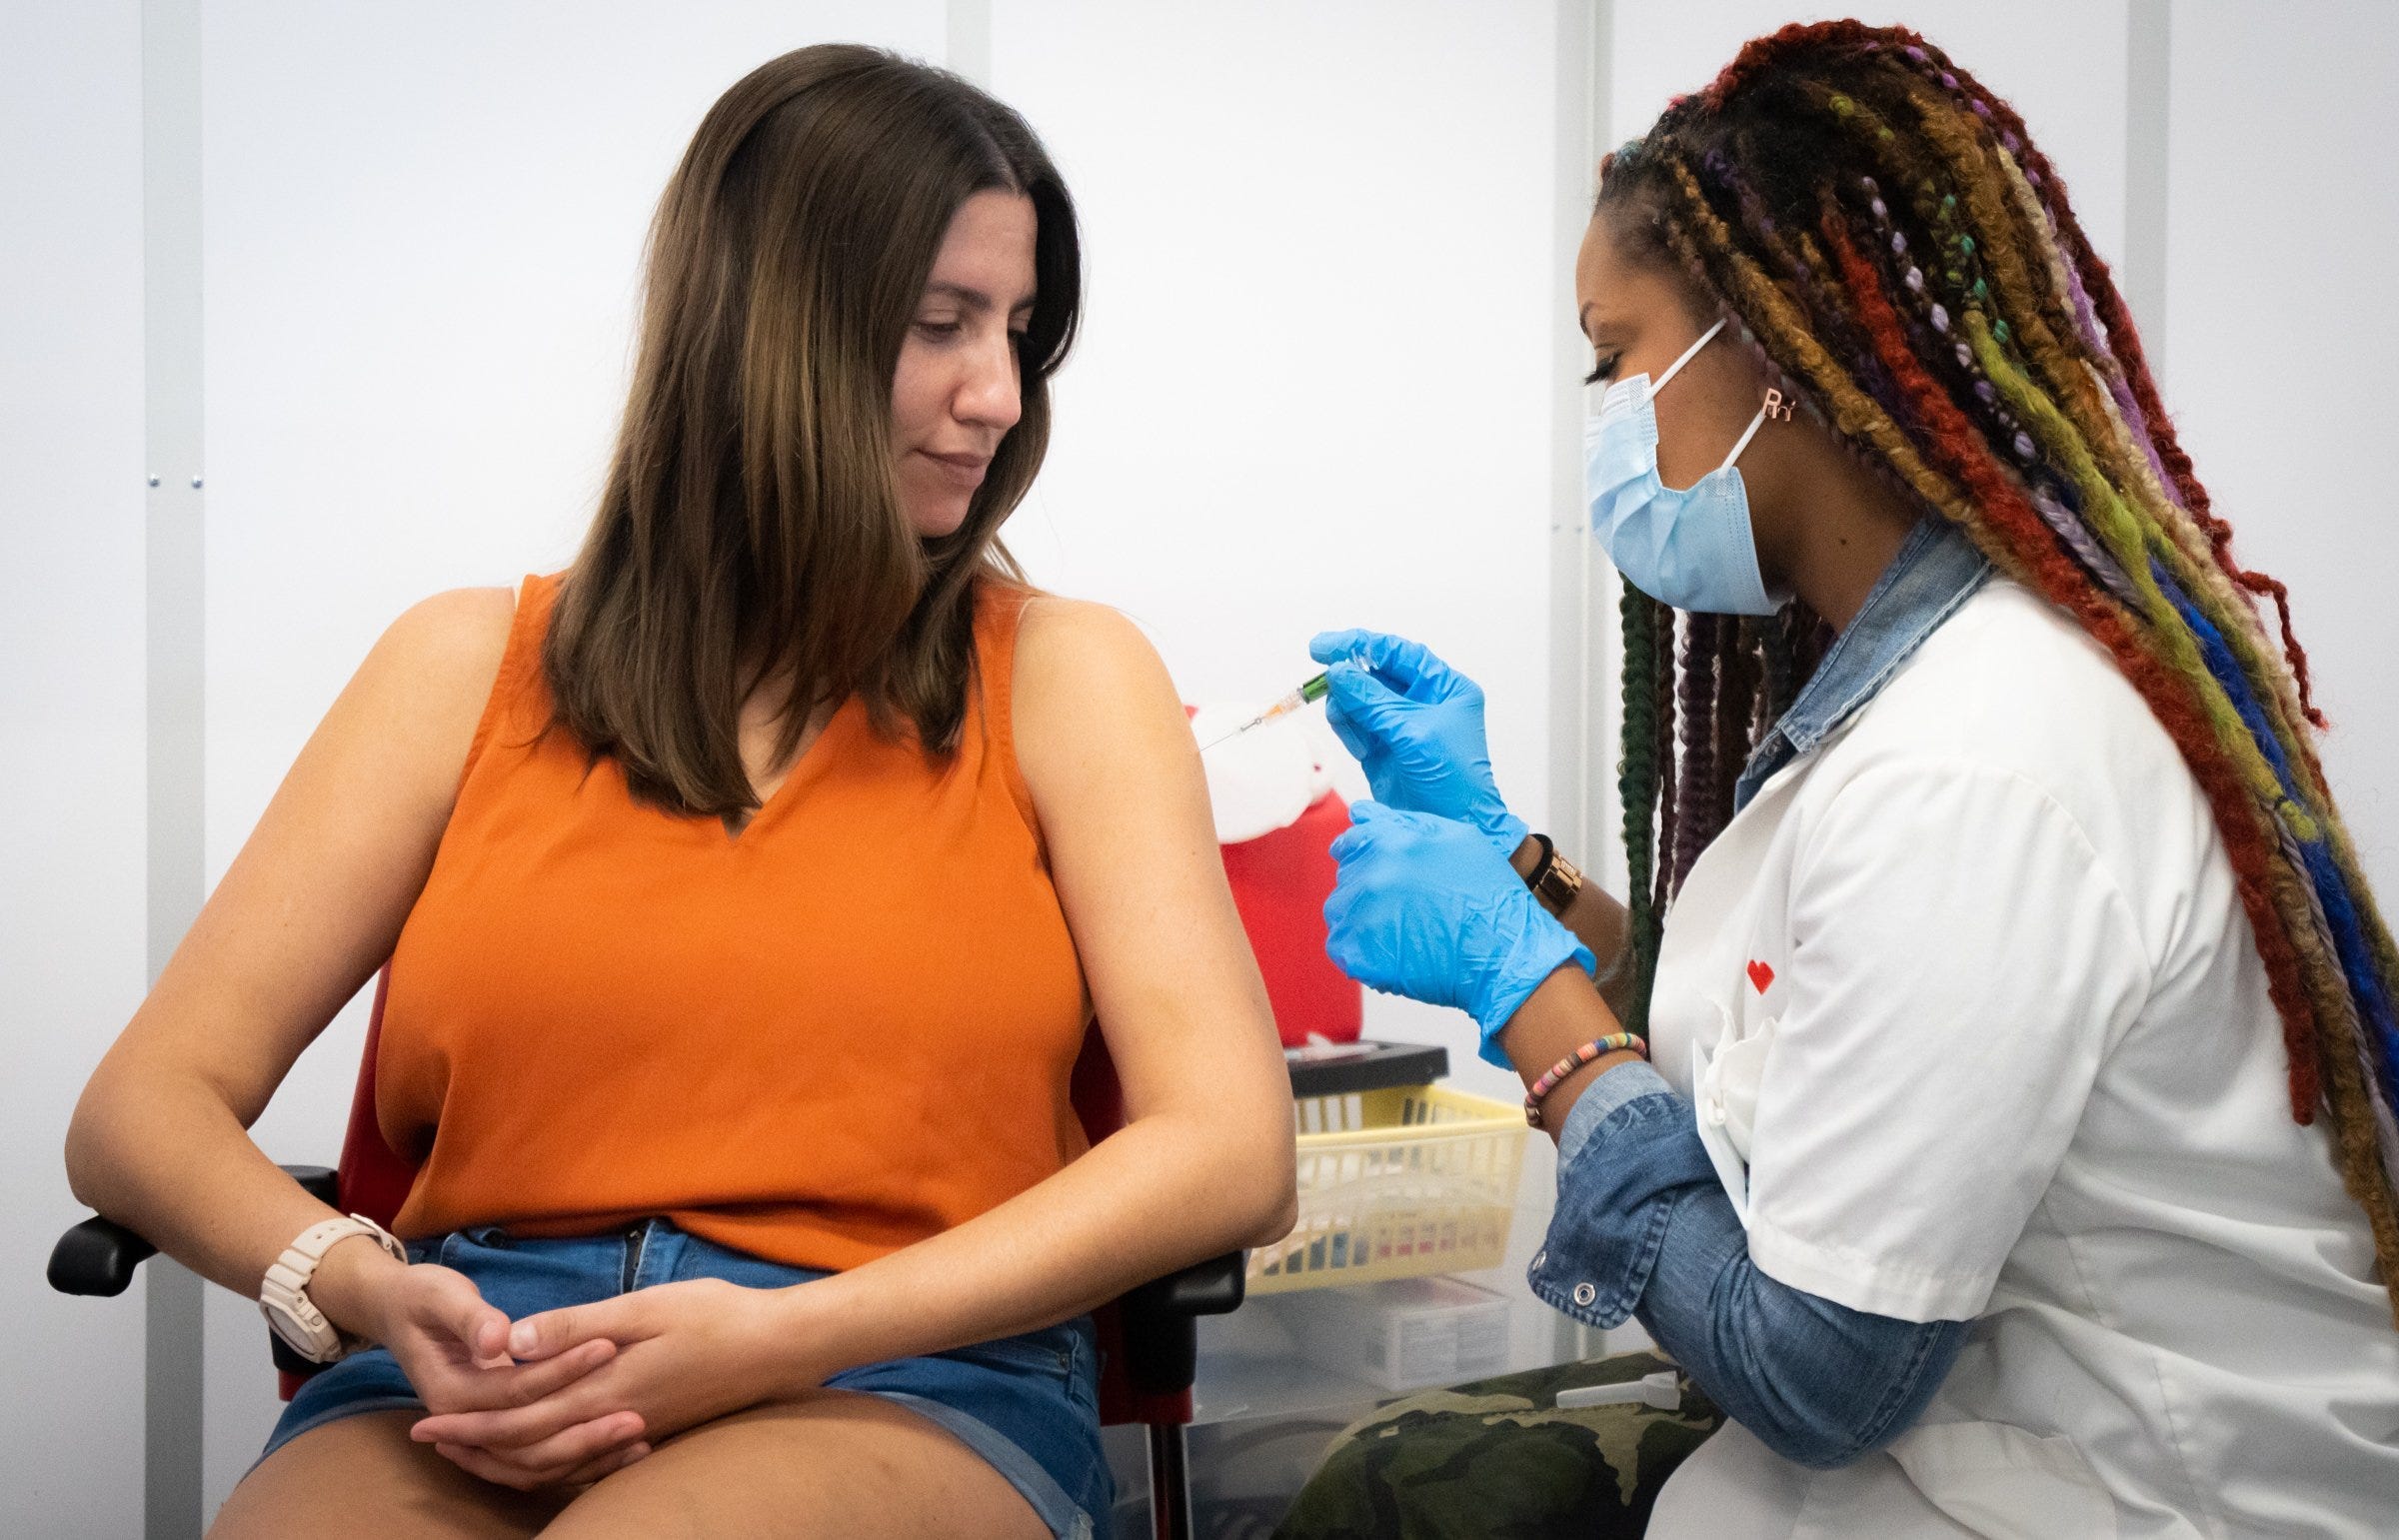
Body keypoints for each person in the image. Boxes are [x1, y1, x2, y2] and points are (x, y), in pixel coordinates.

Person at [65, 45, 1296, 1540]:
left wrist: (782, 1336)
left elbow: (1232, 1149)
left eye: (1019, 332)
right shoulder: (460, 666)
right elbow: (140, 1109)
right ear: (767, 335)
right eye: (940, 325)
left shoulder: (1062, 675)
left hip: (895, 1364)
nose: (998, 393)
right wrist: (357, 1282)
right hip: (486, 1356)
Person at [1285, 21, 2399, 1538]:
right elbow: (1794, 1024)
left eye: (1614, 357)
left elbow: (1816, 1370)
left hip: (2121, 1498)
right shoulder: (1932, 683)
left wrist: (1525, 996)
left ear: (1773, 348)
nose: (1606, 421)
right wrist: (1519, 867)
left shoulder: (1975, 759)